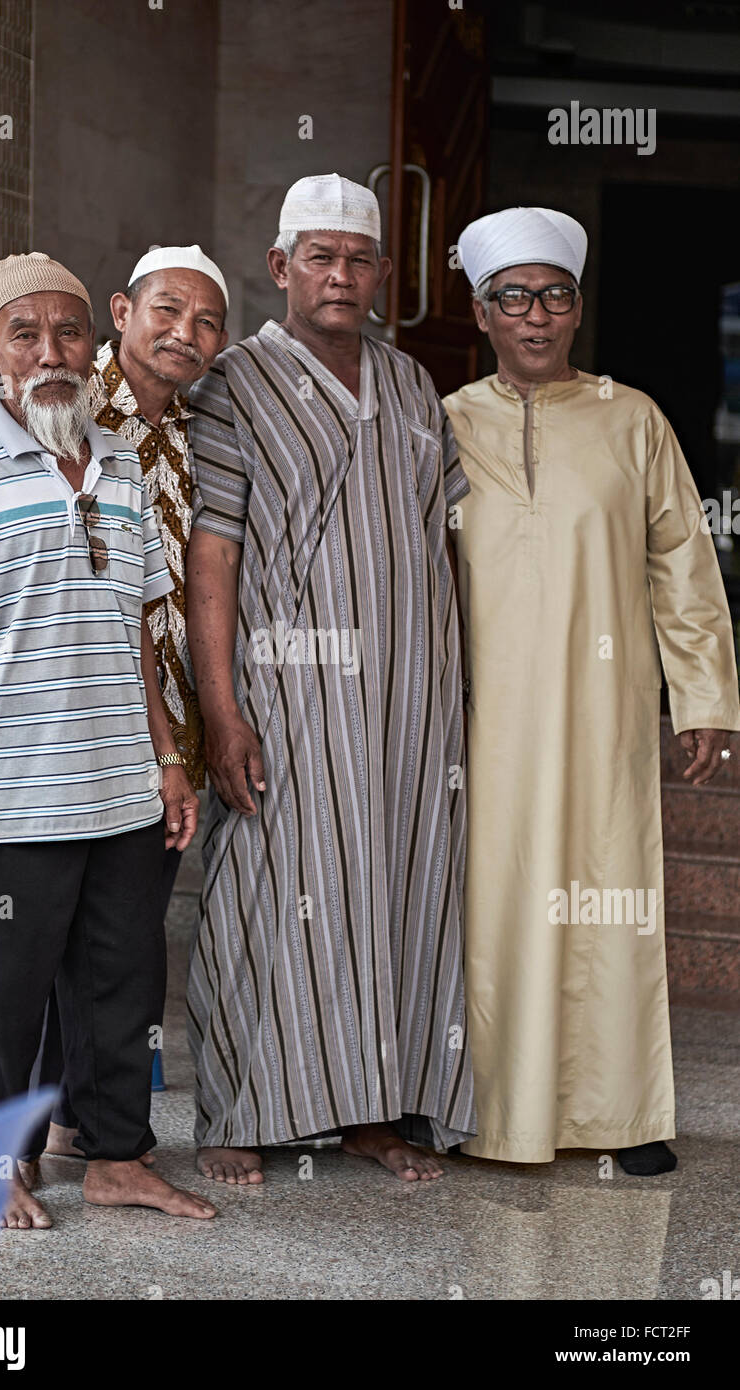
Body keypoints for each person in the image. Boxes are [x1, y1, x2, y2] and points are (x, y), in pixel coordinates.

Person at [0, 245, 230, 1160]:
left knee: (123, 978)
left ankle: (118, 1159)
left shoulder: (121, 465)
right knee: (7, 988)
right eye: (25, 334)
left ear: (93, 344)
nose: (50, 352)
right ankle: (1, 1160)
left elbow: (137, 633)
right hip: (13, 788)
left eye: (66, 333)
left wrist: (164, 764)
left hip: (120, 783)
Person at [185, 173, 475, 1186]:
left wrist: (460, 689)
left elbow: (444, 543)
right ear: (280, 268)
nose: (339, 276)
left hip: (408, 698)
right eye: (319, 256)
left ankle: (369, 1110)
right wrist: (220, 711)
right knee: (267, 888)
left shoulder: (408, 386)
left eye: (357, 259)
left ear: (384, 274)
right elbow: (209, 557)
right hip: (288, 693)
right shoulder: (232, 385)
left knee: (392, 892)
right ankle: (240, 1105)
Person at [443, 206, 740, 1175]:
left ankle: (620, 1116)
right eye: (512, 298)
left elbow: (681, 567)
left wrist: (701, 697)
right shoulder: (442, 422)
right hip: (483, 718)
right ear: (481, 313)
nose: (535, 316)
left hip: (605, 712)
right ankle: (485, 1115)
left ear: (577, 310)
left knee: (609, 895)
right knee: (489, 905)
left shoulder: (633, 417)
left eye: (554, 296)